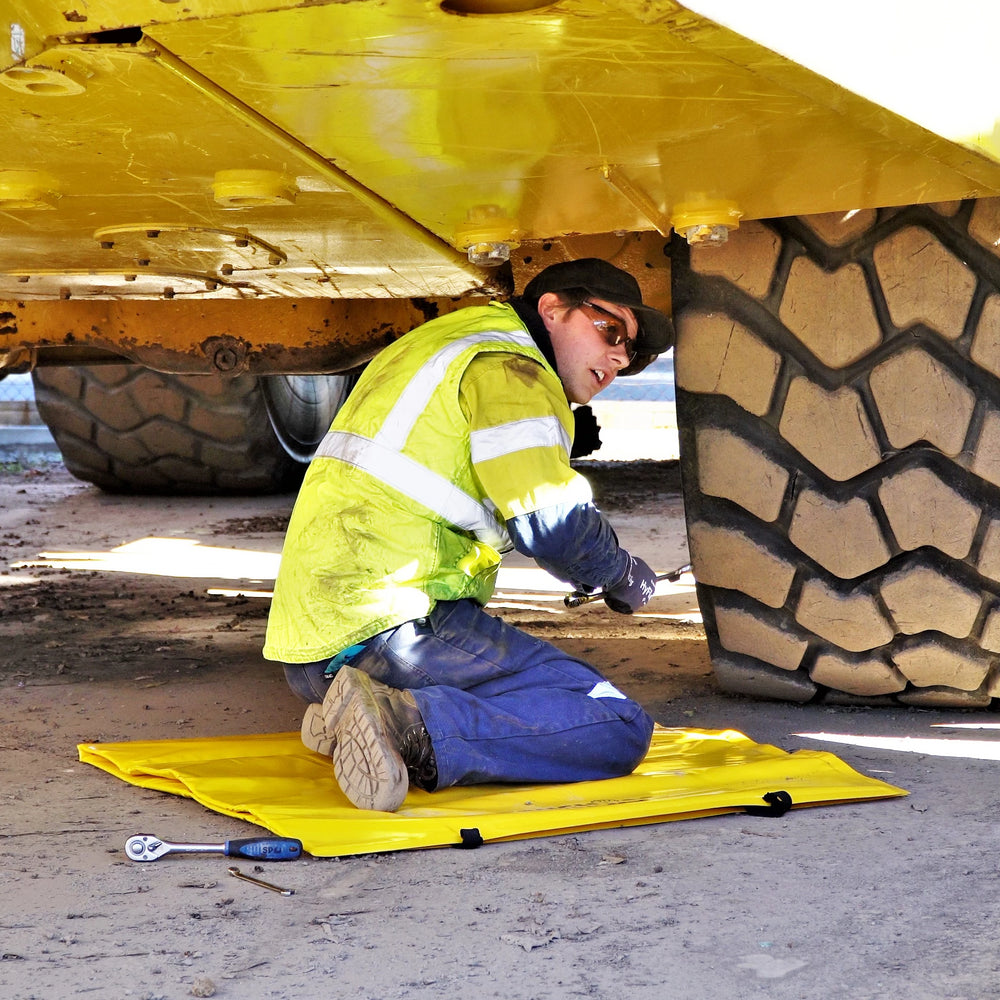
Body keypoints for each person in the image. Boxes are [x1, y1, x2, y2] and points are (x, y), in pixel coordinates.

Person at [263, 258, 674, 812]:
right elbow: (551, 524)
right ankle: (400, 722)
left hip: (313, 645)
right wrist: (617, 571)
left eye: (631, 352)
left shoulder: (449, 344)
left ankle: (352, 710)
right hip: (392, 625)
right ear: (552, 309)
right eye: (611, 330)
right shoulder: (514, 369)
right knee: (612, 720)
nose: (622, 355)